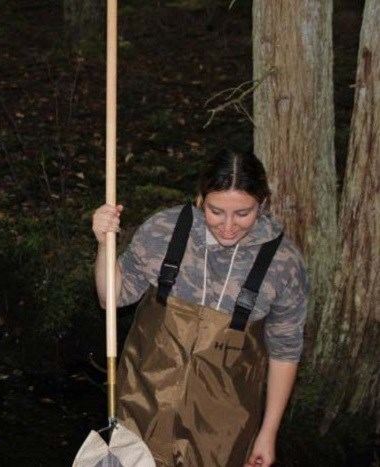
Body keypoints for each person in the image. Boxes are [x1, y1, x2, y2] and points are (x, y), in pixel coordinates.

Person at [92, 150, 308, 467]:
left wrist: (268, 432)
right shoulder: (162, 231)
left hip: (223, 433)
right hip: (141, 412)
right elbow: (110, 299)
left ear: (262, 203)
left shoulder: (284, 263)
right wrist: (103, 243)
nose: (229, 226)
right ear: (200, 199)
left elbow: (285, 352)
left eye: (243, 213)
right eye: (216, 211)